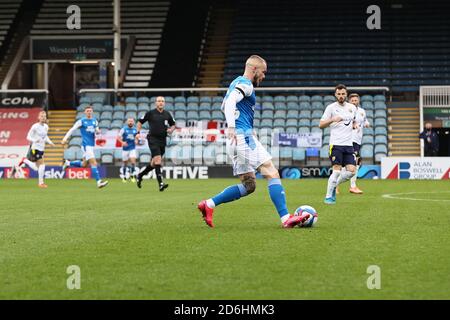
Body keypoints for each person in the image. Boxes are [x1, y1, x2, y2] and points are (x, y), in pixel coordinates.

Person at [197, 55, 309, 228]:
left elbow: (225, 104)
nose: (264, 76)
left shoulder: (235, 82)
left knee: (249, 185)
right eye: (263, 72)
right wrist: (233, 127)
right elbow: (230, 103)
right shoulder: (246, 84)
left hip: (234, 141)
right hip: (242, 137)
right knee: (271, 171)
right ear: (254, 69)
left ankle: (209, 204)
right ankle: (286, 218)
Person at [319, 84, 357, 204]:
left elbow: (353, 118)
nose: (341, 96)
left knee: (351, 171)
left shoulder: (352, 107)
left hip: (348, 145)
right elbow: (321, 125)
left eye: (343, 94)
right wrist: (332, 119)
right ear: (335, 95)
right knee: (336, 171)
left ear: (346, 94)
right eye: (339, 94)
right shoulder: (331, 108)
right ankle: (328, 196)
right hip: (335, 144)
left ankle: (334, 184)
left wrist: (354, 124)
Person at [61, 105, 109, 188]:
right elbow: (72, 129)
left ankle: (68, 163)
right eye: (87, 111)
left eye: (90, 111)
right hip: (86, 145)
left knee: (84, 164)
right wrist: (64, 139)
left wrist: (98, 131)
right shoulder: (81, 121)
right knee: (94, 162)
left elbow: (97, 130)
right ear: (85, 112)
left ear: (92, 112)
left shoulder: (95, 121)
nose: (89, 112)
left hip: (91, 145)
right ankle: (99, 182)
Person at [135, 96, 175, 191]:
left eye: (162, 101)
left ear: (164, 103)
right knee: (158, 160)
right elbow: (140, 122)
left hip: (162, 140)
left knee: (153, 163)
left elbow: (173, 124)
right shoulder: (150, 113)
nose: (161, 102)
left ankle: (140, 175)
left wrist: (170, 129)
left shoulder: (167, 114)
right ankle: (161, 183)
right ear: (156, 103)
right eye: (159, 101)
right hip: (152, 139)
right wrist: (137, 133)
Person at [11, 110, 55, 187]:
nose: (43, 118)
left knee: (36, 168)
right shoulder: (35, 126)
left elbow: (45, 137)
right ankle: (41, 183)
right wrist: (35, 140)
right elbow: (28, 136)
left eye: (44, 116)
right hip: (35, 148)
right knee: (42, 164)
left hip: (42, 149)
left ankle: (24, 160)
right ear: (38, 117)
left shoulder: (46, 127)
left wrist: (50, 142)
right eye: (41, 116)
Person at [340, 93, 370, 194]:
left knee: (354, 164)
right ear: (349, 101)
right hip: (349, 140)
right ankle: (348, 186)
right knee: (352, 163)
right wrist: (353, 124)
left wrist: (366, 123)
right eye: (352, 100)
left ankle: (343, 185)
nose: (354, 102)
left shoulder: (362, 111)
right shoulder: (347, 111)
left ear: (358, 101)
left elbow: (365, 120)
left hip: (357, 140)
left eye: (356, 100)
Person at [118, 118, 139, 183]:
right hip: (125, 149)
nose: (130, 122)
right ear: (127, 122)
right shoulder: (123, 129)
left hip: (132, 148)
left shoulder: (135, 130)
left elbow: (137, 137)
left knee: (133, 161)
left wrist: (136, 140)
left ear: (133, 122)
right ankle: (124, 177)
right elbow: (118, 137)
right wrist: (122, 142)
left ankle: (132, 175)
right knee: (125, 163)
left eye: (131, 121)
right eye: (129, 121)